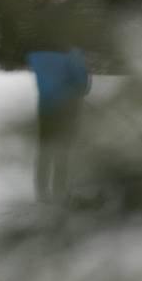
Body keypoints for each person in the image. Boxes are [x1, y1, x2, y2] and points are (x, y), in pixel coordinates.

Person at [27, 47, 90, 203]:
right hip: (66, 111)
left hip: (45, 108)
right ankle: (60, 193)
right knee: (62, 152)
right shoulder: (72, 54)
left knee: (45, 151)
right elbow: (83, 85)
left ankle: (41, 193)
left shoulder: (37, 55)